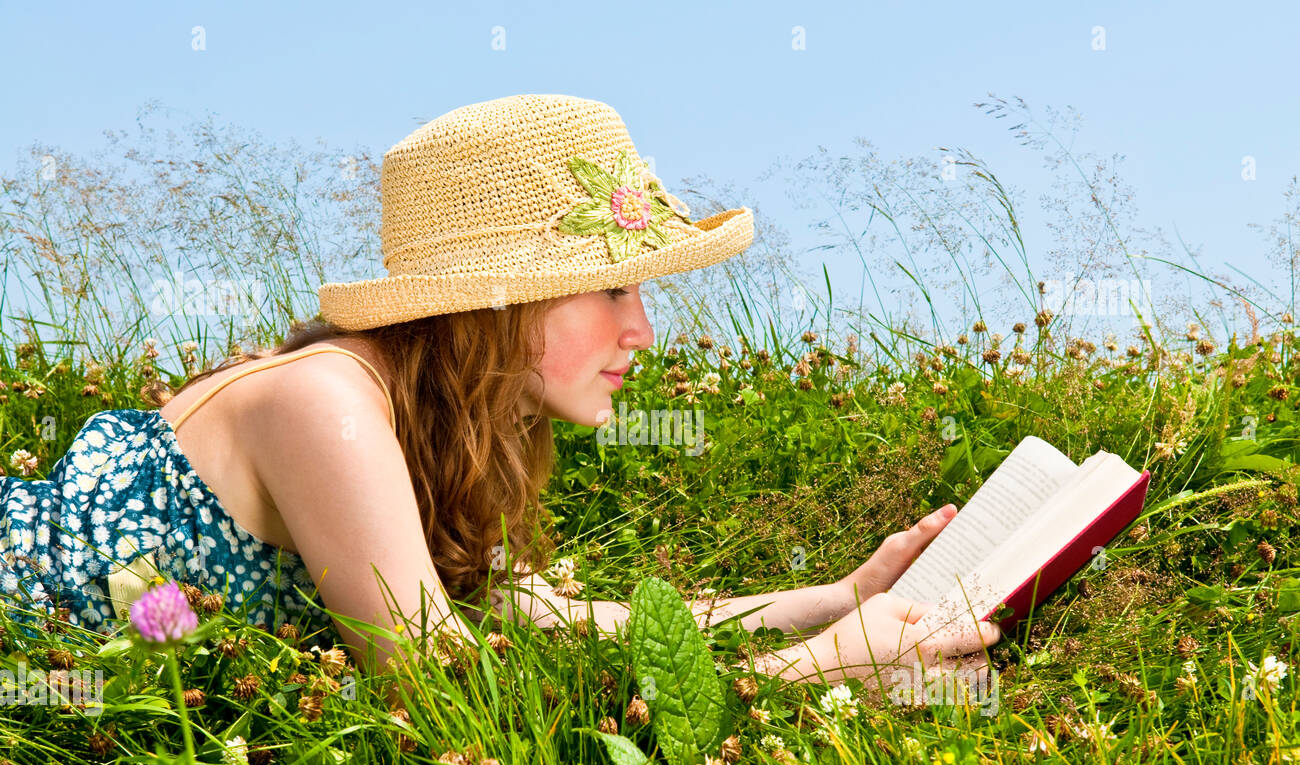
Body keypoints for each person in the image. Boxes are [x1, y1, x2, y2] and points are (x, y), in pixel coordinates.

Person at [0, 93, 1000, 685]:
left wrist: (834, 599)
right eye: (610, 286)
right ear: (501, 302)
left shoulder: (429, 419)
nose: (641, 329)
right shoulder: (328, 406)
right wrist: (818, 670)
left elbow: (542, 621)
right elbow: (446, 692)